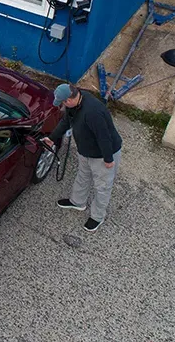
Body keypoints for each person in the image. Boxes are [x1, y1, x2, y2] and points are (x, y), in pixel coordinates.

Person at [41, 83, 123, 232]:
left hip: (102, 154)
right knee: (83, 175)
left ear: (69, 100)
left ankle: (97, 217)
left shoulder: (92, 112)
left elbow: (104, 137)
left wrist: (108, 159)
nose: (63, 106)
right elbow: (66, 122)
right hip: (85, 150)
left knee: (102, 187)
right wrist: (52, 138)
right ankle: (78, 202)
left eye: (63, 103)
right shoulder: (75, 104)